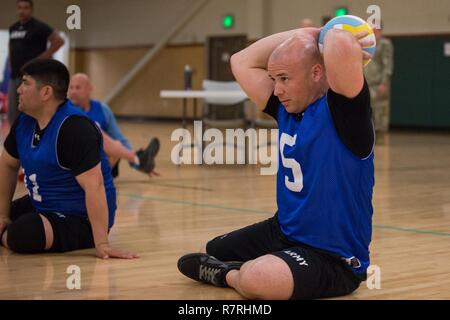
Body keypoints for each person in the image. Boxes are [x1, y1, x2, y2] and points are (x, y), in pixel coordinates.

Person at [177, 27, 375, 299]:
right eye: (273, 79)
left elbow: (340, 42)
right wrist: (308, 31)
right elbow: (240, 61)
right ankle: (254, 268)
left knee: (257, 279)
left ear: (317, 73)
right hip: (282, 231)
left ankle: (231, 275)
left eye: (284, 78)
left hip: (333, 258)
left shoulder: (345, 112)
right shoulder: (286, 106)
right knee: (208, 251)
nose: (277, 89)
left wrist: (325, 33)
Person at [0, 58, 138, 259]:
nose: (19, 89)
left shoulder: (74, 128)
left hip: (81, 219)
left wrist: (101, 243)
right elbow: (7, 165)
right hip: (43, 202)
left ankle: (8, 234)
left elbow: (95, 186)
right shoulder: (25, 121)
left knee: (22, 234)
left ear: (46, 92)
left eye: (26, 83)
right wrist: (3, 215)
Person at [68, 73, 160, 177]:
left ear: (89, 89)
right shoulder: (66, 111)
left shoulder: (103, 109)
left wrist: (135, 165)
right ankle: (139, 159)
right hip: (75, 161)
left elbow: (119, 138)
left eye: (78, 87)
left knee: (116, 143)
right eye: (71, 87)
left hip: (100, 160)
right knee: (96, 133)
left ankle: (138, 161)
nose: (73, 91)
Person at [8, 0, 64, 125]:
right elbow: (11, 48)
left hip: (32, 76)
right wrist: (11, 66)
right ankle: (15, 140)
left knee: (29, 111)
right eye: (20, 7)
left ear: (31, 10)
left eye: (25, 8)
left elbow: (59, 41)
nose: (22, 11)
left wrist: (41, 59)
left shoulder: (39, 27)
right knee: (13, 112)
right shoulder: (13, 28)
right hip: (15, 76)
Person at [364, 24, 393, 134]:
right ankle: (370, 135)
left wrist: (384, 83)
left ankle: (381, 135)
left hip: (378, 83)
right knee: (368, 110)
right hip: (367, 82)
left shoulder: (385, 44)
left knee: (380, 110)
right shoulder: (367, 43)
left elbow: (387, 66)